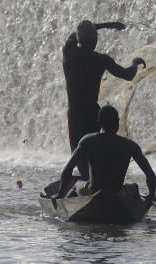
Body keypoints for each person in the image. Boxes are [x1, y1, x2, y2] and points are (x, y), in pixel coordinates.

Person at [62, 19, 145, 180]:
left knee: (79, 152)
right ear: (95, 40)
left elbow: (74, 34)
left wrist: (106, 25)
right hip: (93, 113)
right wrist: (135, 63)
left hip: (76, 113)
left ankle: (88, 182)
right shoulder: (101, 60)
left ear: (78, 39)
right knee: (94, 149)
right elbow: (128, 75)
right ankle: (98, 181)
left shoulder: (68, 51)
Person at [59, 105, 156, 201]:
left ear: (99, 123)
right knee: (134, 187)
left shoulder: (88, 141)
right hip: (117, 193)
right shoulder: (130, 145)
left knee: (77, 184)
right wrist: (152, 195)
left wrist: (60, 194)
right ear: (118, 122)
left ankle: (65, 204)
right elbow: (150, 174)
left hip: (94, 192)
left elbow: (68, 169)